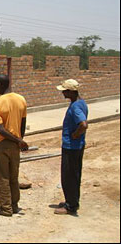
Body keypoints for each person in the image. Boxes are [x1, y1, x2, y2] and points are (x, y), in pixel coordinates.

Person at [0, 74, 28, 217]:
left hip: (1, 143)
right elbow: (23, 123)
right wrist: (20, 140)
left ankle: (5, 208)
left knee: (2, 177)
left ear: (0, 84)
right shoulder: (21, 99)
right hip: (16, 142)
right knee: (14, 175)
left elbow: (0, 129)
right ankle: (14, 204)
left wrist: (18, 141)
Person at [54, 79, 88, 215]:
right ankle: (72, 200)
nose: (63, 93)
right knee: (74, 174)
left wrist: (75, 134)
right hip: (76, 146)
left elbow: (83, 124)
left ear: (71, 92)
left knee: (69, 176)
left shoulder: (76, 107)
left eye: (65, 91)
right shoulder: (80, 102)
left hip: (72, 147)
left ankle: (71, 206)